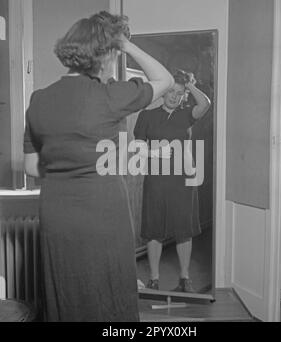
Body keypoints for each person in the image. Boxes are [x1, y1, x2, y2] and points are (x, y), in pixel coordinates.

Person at [23, 11, 173, 322]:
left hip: (57, 213)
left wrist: (68, 167)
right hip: (103, 211)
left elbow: (31, 167)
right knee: (110, 286)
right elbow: (165, 80)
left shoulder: (37, 100)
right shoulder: (109, 96)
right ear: (104, 54)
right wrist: (127, 46)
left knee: (66, 286)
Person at [134, 71, 211, 293]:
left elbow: (205, 104)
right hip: (156, 179)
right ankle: (155, 279)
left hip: (184, 179)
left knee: (183, 229)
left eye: (179, 93)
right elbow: (138, 149)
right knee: (154, 229)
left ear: (184, 96)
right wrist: (156, 151)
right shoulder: (146, 116)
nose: (174, 97)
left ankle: (185, 278)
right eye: (170, 91)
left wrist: (191, 85)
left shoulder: (187, 115)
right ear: (163, 93)